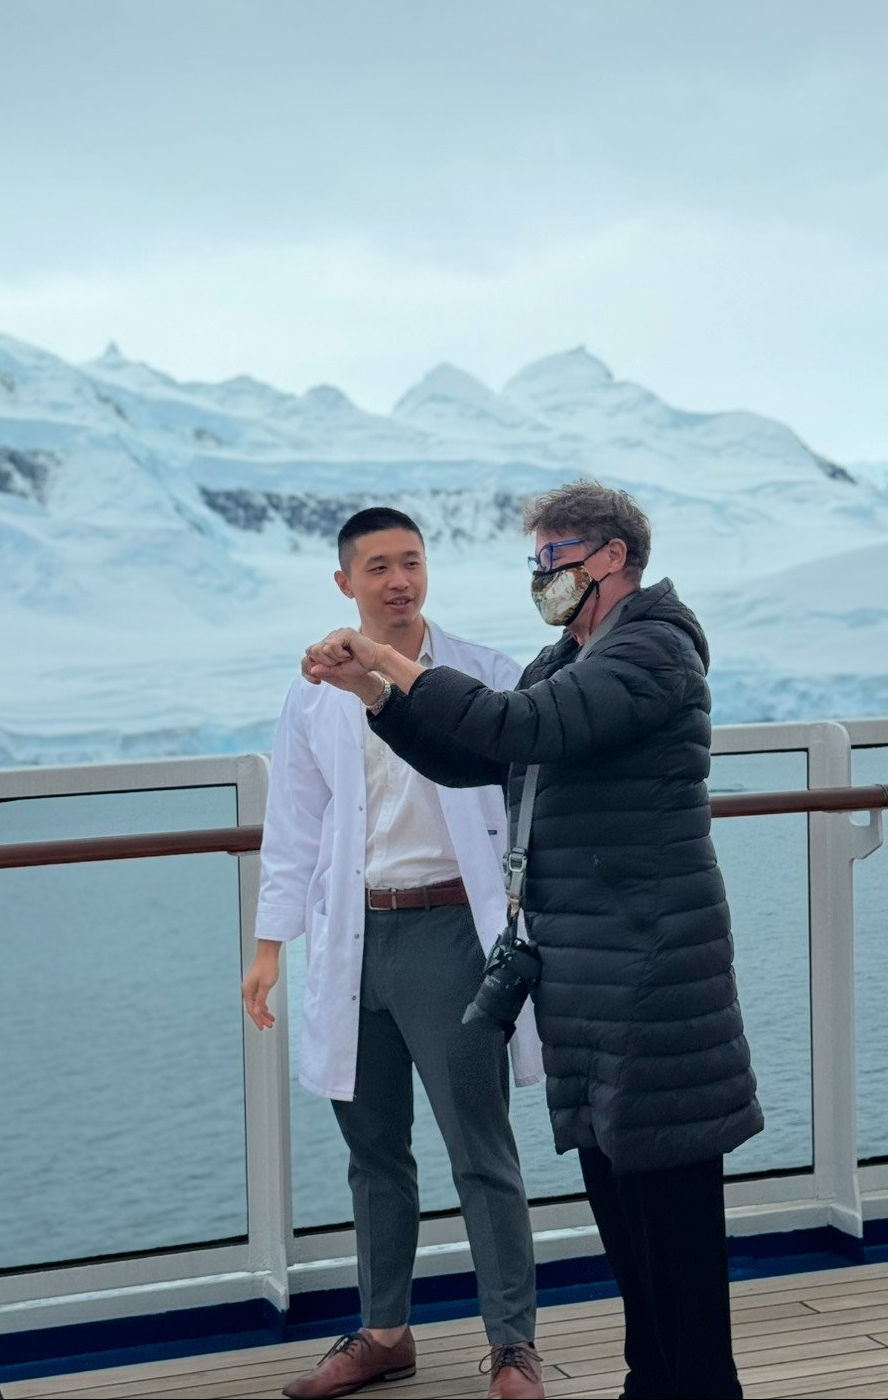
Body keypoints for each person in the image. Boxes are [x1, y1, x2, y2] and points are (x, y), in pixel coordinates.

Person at [303, 481, 763, 1400]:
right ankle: (651, 1384)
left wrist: (398, 670)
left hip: (654, 971)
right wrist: (377, 694)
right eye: (536, 562)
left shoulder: (651, 647)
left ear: (611, 559)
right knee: (627, 1224)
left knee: (673, 1235)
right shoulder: (570, 653)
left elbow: (525, 726)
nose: (541, 578)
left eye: (553, 561)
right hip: (591, 976)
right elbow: (483, 757)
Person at [244, 507, 546, 1400]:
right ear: (346, 583)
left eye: (411, 561)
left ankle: (513, 1345)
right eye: (376, 566)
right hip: (353, 938)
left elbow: (525, 775)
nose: (397, 579)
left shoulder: (479, 672)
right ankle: (383, 1332)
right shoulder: (312, 694)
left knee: (478, 1146)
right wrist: (269, 946)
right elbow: (295, 825)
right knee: (372, 1149)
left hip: (451, 933)